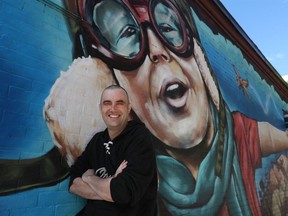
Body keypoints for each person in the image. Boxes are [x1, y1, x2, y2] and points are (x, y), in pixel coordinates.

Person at [57, 0, 288, 215]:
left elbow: (123, 191)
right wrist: (107, 184)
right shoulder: (99, 142)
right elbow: (77, 184)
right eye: (127, 35)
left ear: (199, 59)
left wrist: (94, 181)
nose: (157, 50)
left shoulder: (240, 136)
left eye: (168, 28)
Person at [69, 85, 158, 216]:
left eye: (119, 103)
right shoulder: (97, 141)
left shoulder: (139, 138)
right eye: (107, 103)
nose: (113, 109)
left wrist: (90, 178)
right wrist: (110, 186)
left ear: (128, 108)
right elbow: (73, 183)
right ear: (101, 108)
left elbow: (124, 193)